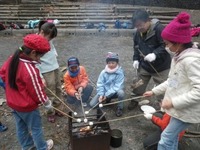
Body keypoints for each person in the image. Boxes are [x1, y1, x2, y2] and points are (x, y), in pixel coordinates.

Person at [143, 12, 200, 150]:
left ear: (179, 43)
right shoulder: (179, 56)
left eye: (168, 44)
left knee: (166, 140)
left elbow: (199, 91)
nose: (166, 47)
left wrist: (173, 102)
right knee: (171, 138)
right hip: (178, 109)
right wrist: (154, 91)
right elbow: (171, 81)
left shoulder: (191, 61)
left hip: (185, 111)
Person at [0, 34, 54, 150]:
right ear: (33, 53)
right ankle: (42, 147)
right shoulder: (30, 70)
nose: (40, 59)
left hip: (13, 103)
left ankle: (28, 147)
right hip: (27, 106)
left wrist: (13, 90)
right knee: (36, 128)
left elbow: (3, 75)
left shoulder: (12, 58)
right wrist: (47, 103)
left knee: (21, 127)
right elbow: (37, 93)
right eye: (40, 56)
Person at [128, 9, 171, 110]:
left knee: (162, 87)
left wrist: (155, 54)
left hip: (162, 66)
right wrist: (136, 59)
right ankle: (134, 99)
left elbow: (166, 45)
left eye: (140, 25)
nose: (138, 28)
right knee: (138, 83)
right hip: (145, 65)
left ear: (148, 20)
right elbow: (136, 47)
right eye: (136, 26)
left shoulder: (159, 29)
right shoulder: (137, 33)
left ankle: (162, 105)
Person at [36, 21, 63, 123]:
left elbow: (52, 46)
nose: (50, 40)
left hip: (54, 66)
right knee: (49, 92)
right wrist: (40, 77)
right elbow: (34, 62)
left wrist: (55, 53)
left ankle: (58, 108)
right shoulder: (34, 42)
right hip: (45, 70)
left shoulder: (48, 39)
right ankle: (50, 112)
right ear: (42, 32)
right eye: (49, 37)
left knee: (58, 88)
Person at [90, 52, 125, 117]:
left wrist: (106, 95)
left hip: (115, 92)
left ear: (117, 63)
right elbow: (100, 84)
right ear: (107, 63)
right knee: (92, 104)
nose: (111, 65)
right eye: (109, 63)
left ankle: (120, 107)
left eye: (113, 63)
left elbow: (117, 86)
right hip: (104, 92)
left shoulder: (120, 73)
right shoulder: (103, 72)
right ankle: (107, 99)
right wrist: (101, 95)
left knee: (121, 92)